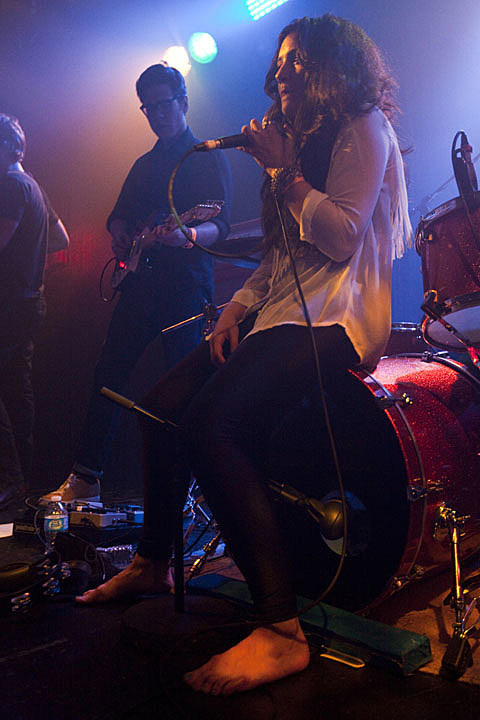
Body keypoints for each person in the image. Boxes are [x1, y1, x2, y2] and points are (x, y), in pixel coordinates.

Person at [76, 15, 412, 695]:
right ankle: (152, 561)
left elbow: (342, 238)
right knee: (161, 408)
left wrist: (282, 170)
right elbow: (284, 257)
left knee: (215, 424)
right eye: (279, 62)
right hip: (282, 309)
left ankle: (281, 630)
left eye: (295, 61)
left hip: (340, 318)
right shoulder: (303, 143)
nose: (279, 72)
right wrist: (236, 307)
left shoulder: (363, 127)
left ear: (333, 66)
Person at [41, 62, 232, 506]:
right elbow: (117, 216)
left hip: (186, 287)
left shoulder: (205, 156)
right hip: (141, 286)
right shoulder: (144, 164)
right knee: (108, 374)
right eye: (149, 108)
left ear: (183, 102)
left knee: (185, 386)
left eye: (164, 105)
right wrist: (122, 232)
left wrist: (189, 234)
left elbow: (221, 224)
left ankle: (190, 488)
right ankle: (86, 479)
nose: (157, 114)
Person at [0, 114, 60, 510]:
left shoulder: (10, 185)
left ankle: (9, 478)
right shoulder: (34, 186)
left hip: (8, 304)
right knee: (15, 390)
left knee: (12, 390)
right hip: (29, 302)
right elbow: (62, 238)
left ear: (9, 147)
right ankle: (22, 482)